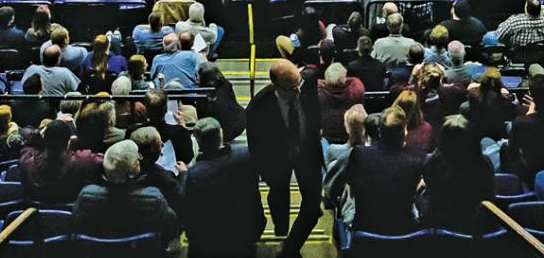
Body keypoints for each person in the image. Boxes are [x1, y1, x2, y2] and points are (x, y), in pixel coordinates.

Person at [247, 60, 322, 254]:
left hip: (308, 152)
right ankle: (282, 230)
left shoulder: (308, 81)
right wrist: (263, 170)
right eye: (292, 88)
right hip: (278, 158)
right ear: (276, 86)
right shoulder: (258, 107)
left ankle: (289, 248)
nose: (298, 91)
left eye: (299, 84)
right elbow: (255, 144)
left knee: (313, 207)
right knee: (279, 194)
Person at [329, 105, 424, 235]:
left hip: (365, 235)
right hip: (403, 236)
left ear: (380, 132)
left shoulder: (359, 154)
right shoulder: (416, 160)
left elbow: (348, 189)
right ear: (404, 132)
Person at [179, 117, 263, 258]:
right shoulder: (246, 155)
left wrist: (184, 176)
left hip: (210, 240)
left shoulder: (194, 175)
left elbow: (187, 211)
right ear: (221, 133)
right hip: (246, 230)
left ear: (198, 142)